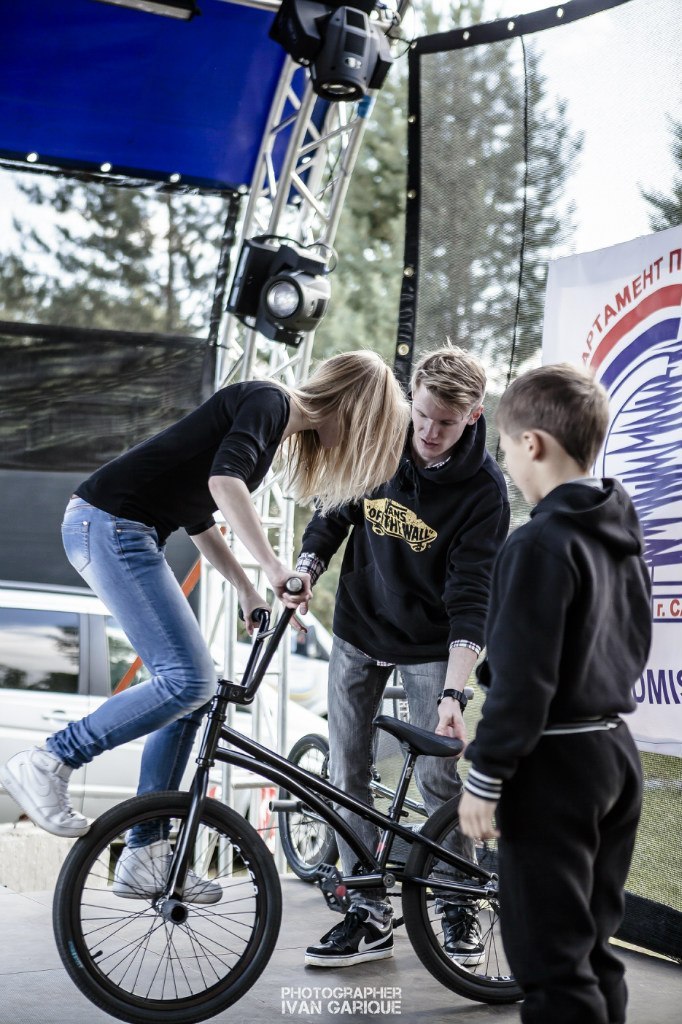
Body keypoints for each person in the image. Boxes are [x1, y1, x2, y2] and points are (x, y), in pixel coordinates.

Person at [0, 350, 410, 903]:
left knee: (196, 691)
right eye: (372, 429)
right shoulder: (270, 401)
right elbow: (223, 484)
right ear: (356, 407)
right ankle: (51, 758)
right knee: (188, 680)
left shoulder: (271, 426)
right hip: (113, 525)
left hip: (123, 528)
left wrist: (246, 587)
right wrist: (274, 568)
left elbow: (198, 513)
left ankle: (146, 851)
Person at [296, 345, 510, 967]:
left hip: (429, 643)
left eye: (445, 421)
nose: (428, 433)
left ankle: (460, 901)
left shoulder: (485, 492)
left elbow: (473, 597)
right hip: (359, 625)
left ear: (472, 416)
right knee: (347, 770)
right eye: (421, 416)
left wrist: (453, 695)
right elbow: (333, 510)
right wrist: (308, 567)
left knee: (441, 775)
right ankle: (366, 911)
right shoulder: (385, 438)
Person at [459, 363, 652, 1024]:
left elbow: (521, 679)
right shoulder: (620, 537)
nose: (506, 461)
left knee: (550, 968)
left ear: (532, 444)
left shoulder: (538, 542)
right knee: (593, 954)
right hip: (613, 758)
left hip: (555, 767)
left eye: (506, 447)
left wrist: (484, 776)